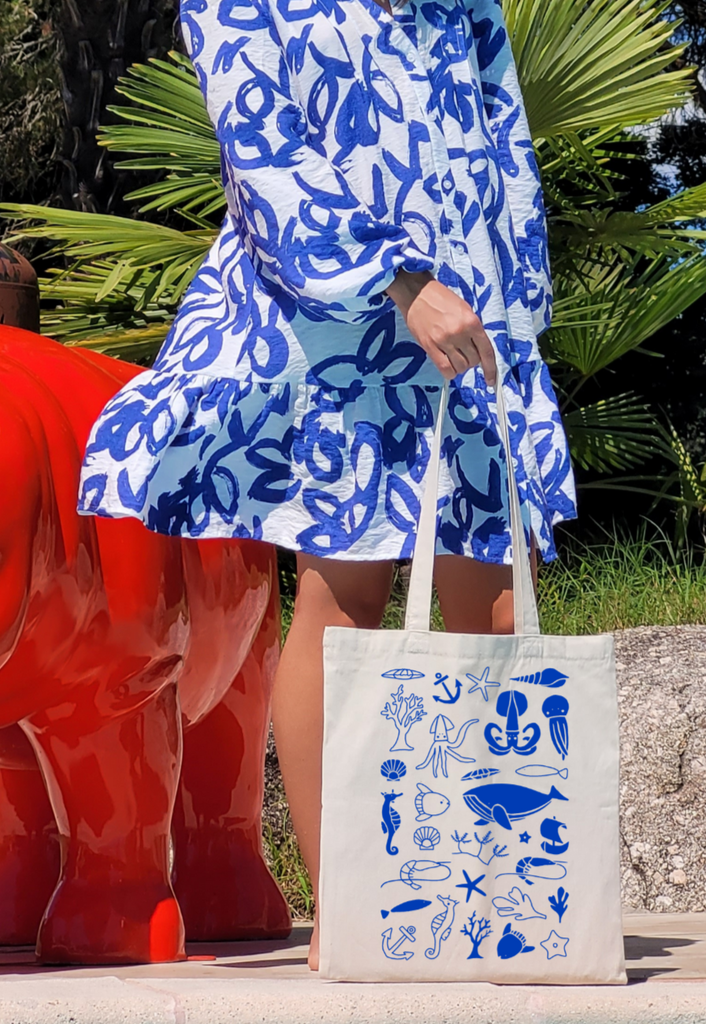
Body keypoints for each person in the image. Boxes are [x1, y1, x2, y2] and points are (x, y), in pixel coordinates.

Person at [76, 0, 575, 969]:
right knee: (345, 595)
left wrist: (518, 312)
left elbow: (504, 148)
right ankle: (351, 914)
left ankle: (493, 906)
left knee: (498, 602)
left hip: (471, 317)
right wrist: (401, 283)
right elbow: (265, 158)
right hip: (335, 321)